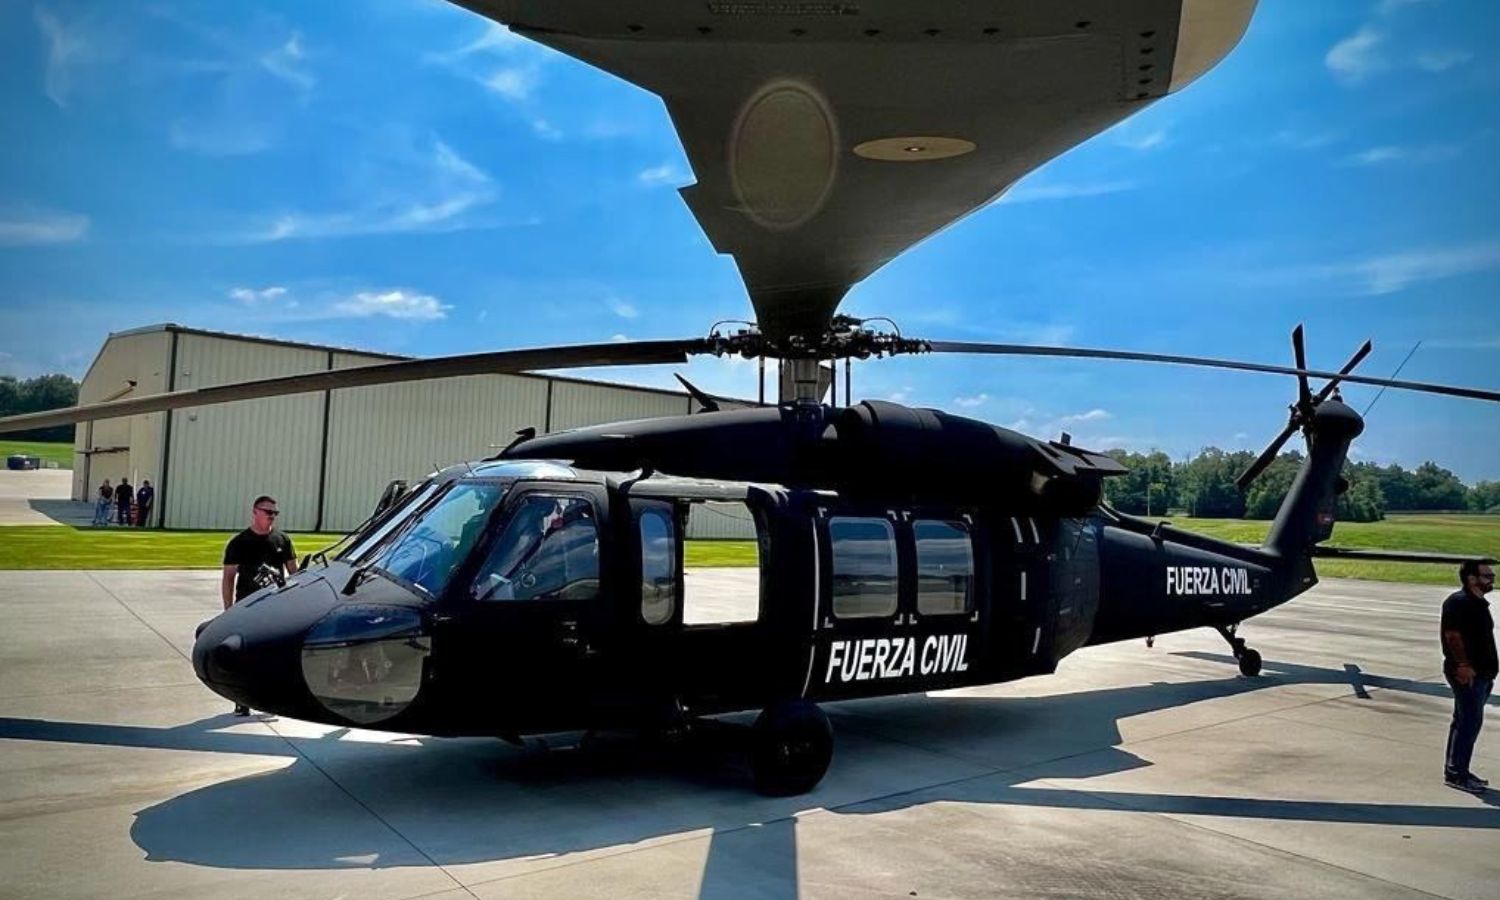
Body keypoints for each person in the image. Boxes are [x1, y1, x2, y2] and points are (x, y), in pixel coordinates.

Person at [221, 495, 299, 716]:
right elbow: (228, 578)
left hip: (276, 607)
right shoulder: (239, 542)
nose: (272, 517)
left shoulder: (282, 540)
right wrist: (228, 610)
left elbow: (294, 574)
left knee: (275, 655)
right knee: (244, 655)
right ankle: (241, 699)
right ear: (255, 512)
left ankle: (272, 697)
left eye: (275, 513)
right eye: (268, 512)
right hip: (247, 606)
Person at [1441, 559, 1496, 794]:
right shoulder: (1458, 603)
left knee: (1464, 722)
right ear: (1471, 578)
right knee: (1468, 724)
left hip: (1482, 674)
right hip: (1468, 674)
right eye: (1487, 576)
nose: (1492, 579)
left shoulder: (1479, 603)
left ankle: (1457, 770)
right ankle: (1457, 775)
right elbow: (1452, 636)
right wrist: (1463, 665)